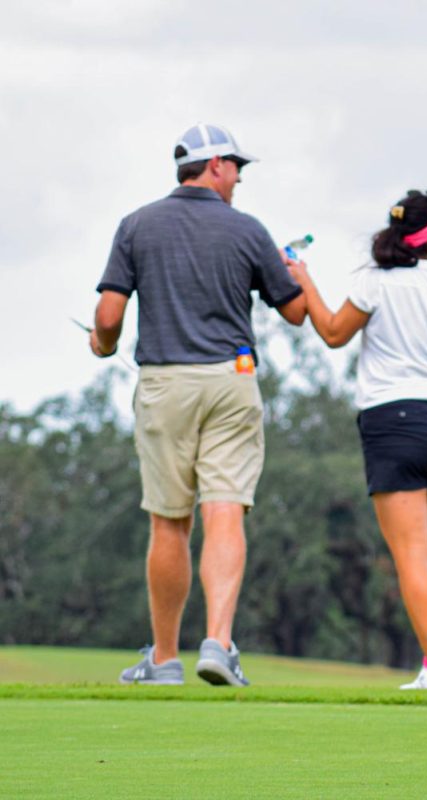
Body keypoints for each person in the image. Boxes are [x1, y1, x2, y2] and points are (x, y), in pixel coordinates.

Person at [91, 123, 307, 686]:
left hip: (165, 382)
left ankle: (164, 660)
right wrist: (295, 274)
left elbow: (109, 319)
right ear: (214, 167)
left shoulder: (136, 225)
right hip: (230, 379)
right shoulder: (247, 229)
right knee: (225, 509)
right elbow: (296, 312)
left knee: (169, 523)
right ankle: (218, 642)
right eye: (236, 167)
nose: (238, 178)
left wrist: (102, 346)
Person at [287, 190, 427, 690]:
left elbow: (334, 334)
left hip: (395, 420)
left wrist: (305, 281)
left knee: (410, 553)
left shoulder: (373, 284)